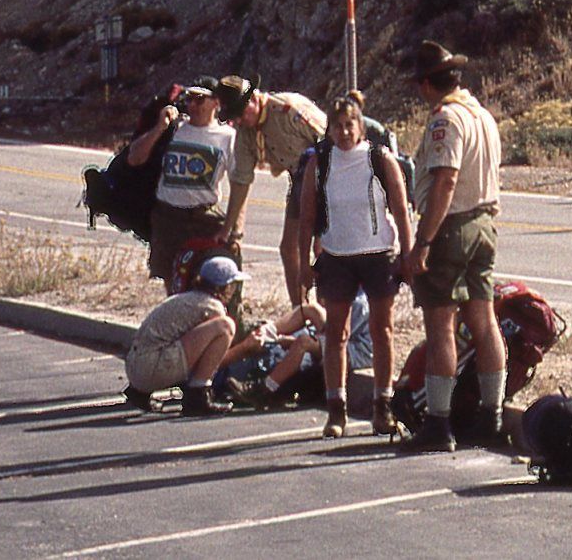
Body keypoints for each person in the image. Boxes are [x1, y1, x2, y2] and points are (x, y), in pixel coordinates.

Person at [400, 41, 506, 454]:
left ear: (427, 84)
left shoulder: (446, 119)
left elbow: (445, 180)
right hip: (484, 222)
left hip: (452, 226)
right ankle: (491, 414)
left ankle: (438, 422)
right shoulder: (483, 116)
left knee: (441, 324)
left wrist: (423, 241)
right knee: (484, 319)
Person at [298, 92, 411, 439]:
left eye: (350, 125)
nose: (345, 132)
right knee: (335, 333)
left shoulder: (380, 159)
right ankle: (336, 410)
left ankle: (382, 407)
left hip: (378, 255)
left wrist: (407, 254)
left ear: (361, 127)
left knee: (382, 330)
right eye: (338, 126)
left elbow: (401, 210)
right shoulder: (320, 162)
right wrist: (304, 263)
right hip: (336, 257)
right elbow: (307, 217)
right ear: (329, 129)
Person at [216, 76, 328, 306]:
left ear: (254, 99)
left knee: (323, 248)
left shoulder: (288, 110)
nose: (239, 120)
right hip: (299, 179)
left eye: (241, 112)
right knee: (289, 249)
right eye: (234, 116)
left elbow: (329, 142)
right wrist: (227, 230)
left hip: (326, 174)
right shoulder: (245, 133)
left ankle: (332, 313)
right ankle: (301, 310)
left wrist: (322, 222)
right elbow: (241, 182)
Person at [128, 79, 236, 286]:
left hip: (203, 219)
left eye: (200, 99)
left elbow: (240, 186)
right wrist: (159, 128)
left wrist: (233, 229)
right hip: (168, 217)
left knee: (206, 279)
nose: (192, 105)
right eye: (189, 99)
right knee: (171, 280)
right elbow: (135, 158)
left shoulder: (227, 137)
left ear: (216, 103)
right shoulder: (173, 129)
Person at [124, 255, 248, 416]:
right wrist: (247, 348)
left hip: (135, 369)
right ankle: (198, 396)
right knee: (225, 326)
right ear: (224, 287)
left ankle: (140, 392)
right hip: (151, 370)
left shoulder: (188, 298)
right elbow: (212, 359)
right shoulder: (213, 306)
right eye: (233, 285)